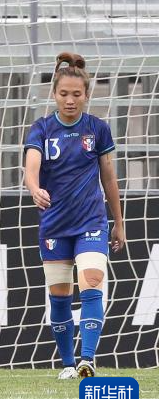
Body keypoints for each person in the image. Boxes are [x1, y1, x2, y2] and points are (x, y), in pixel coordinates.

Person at [23, 52, 124, 379]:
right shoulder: (41, 129)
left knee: (92, 282)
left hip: (91, 222)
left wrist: (119, 222)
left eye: (76, 94)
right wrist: (35, 188)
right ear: (54, 94)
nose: (70, 100)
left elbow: (109, 178)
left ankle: (87, 359)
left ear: (87, 95)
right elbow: (31, 168)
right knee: (60, 297)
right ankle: (68, 364)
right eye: (64, 93)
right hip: (55, 224)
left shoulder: (98, 129)